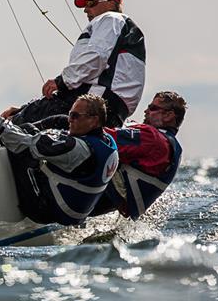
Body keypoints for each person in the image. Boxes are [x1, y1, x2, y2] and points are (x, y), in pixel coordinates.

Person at [27, 91, 187, 220]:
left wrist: (71, 123)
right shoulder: (173, 145)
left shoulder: (152, 138)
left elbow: (100, 138)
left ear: (168, 116)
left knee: (63, 121)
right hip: (110, 202)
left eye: (152, 108)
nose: (146, 111)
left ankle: (19, 136)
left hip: (99, 196)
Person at [3, 0, 145, 128]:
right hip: (108, 106)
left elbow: (96, 56)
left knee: (11, 128)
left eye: (91, 3)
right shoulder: (116, 26)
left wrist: (61, 81)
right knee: (22, 122)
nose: (86, 10)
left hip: (96, 99)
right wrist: (23, 109)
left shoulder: (112, 18)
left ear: (111, 3)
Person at [0, 94, 119, 226]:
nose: (70, 120)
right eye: (70, 114)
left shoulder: (76, 149)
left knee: (19, 150)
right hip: (75, 213)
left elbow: (24, 145)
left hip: (47, 212)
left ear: (94, 120)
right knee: (30, 130)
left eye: (75, 116)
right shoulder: (108, 142)